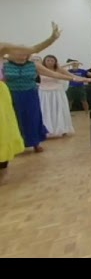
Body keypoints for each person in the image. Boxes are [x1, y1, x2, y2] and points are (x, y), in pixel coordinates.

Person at [1, 23, 62, 174]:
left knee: (18, 122)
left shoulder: (3, 49)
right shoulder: (7, 62)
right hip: (12, 93)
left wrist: (51, 38)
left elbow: (34, 49)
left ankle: (26, 147)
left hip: (17, 94)